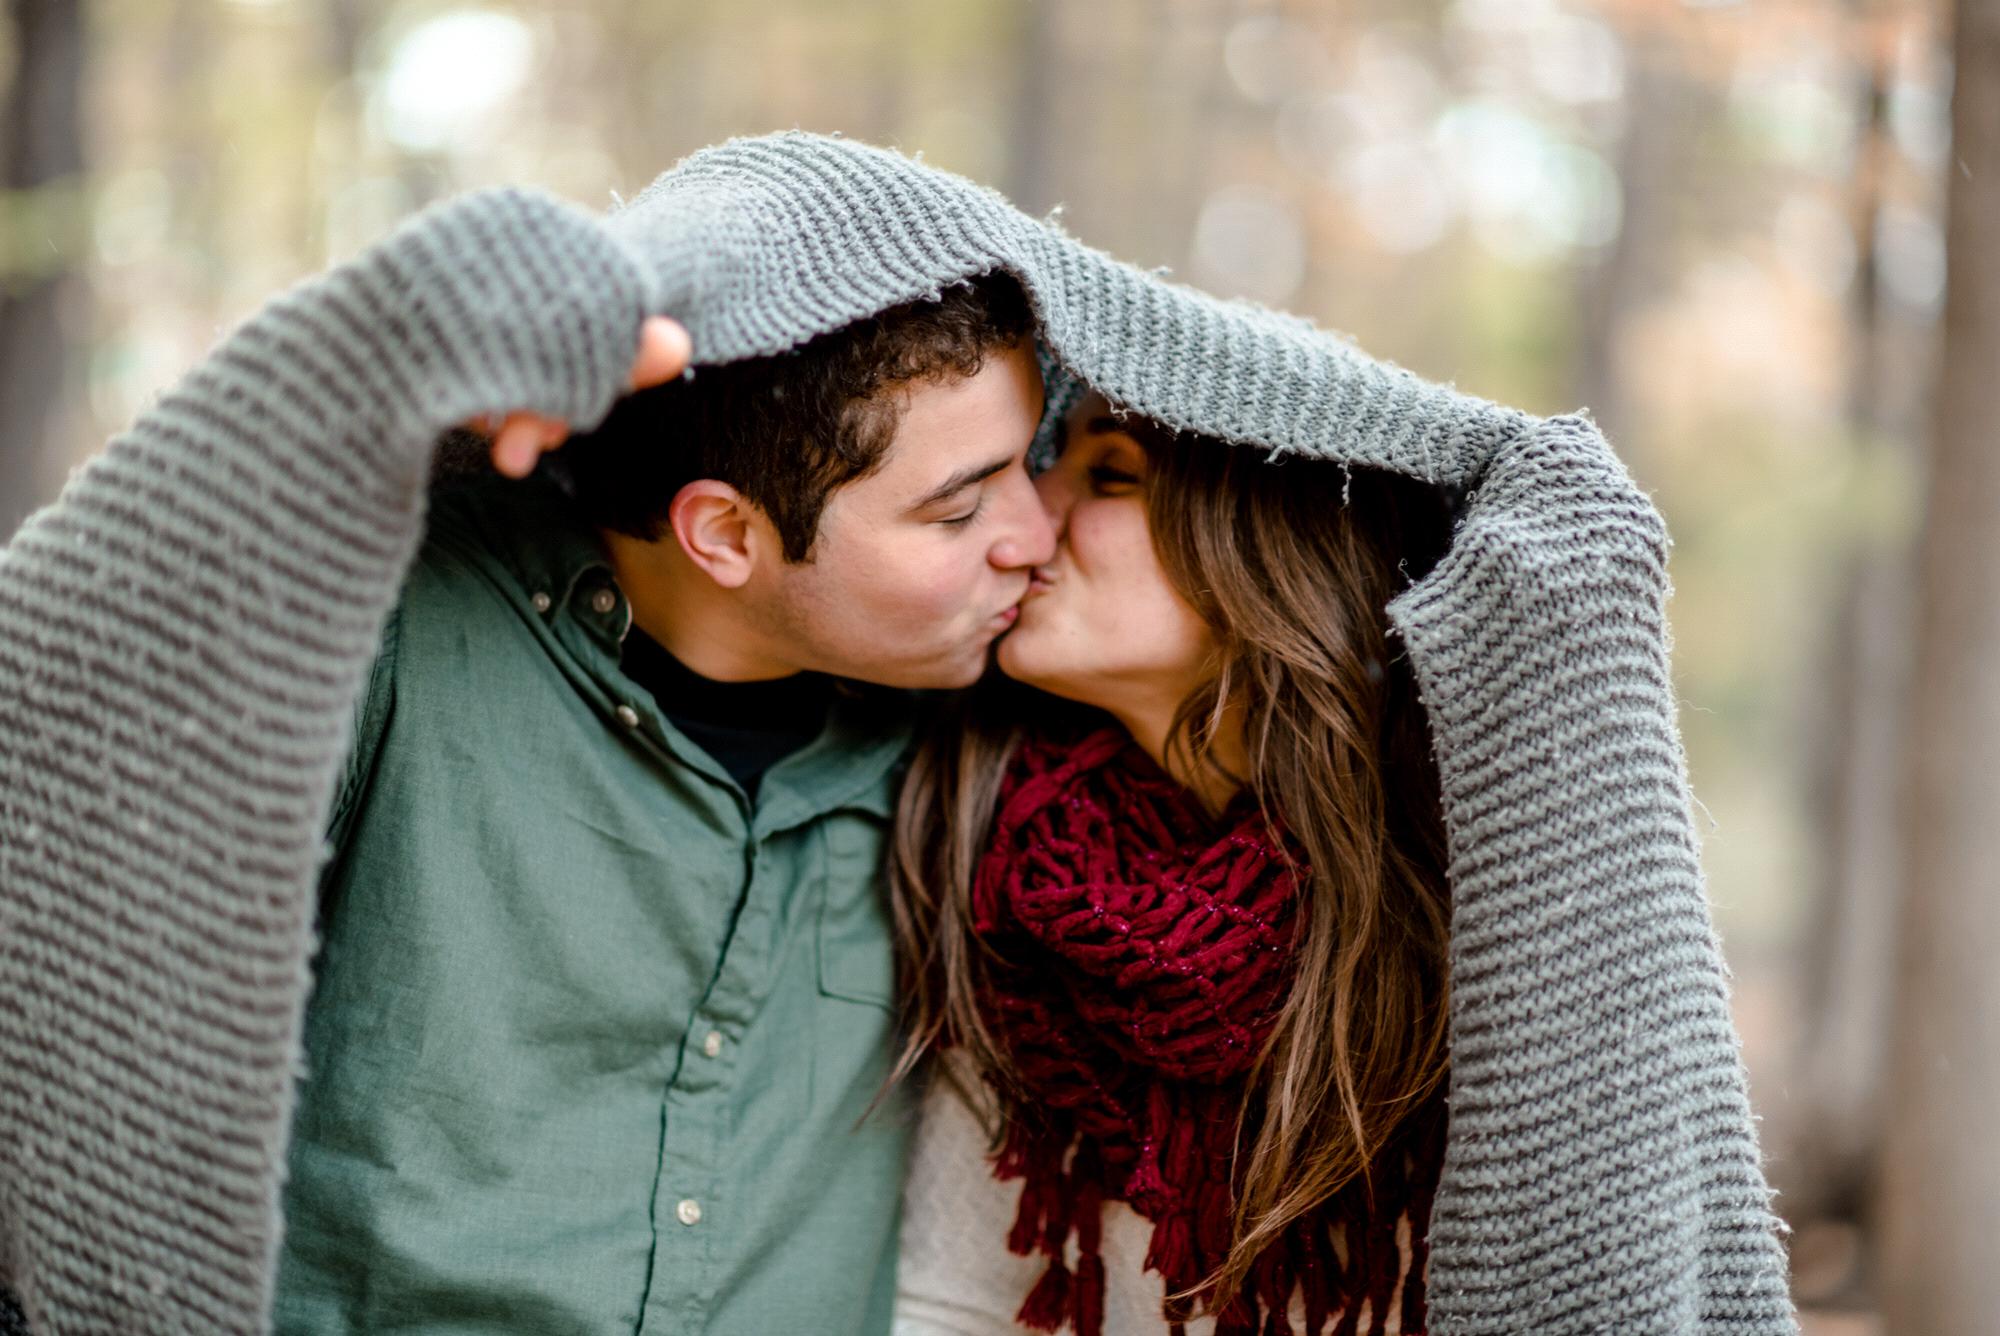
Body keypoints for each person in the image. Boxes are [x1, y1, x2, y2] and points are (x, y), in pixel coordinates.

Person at [0, 131, 1795, 1335]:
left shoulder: (1020, 767)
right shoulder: (426, 645)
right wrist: (381, 359)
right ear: (729, 533)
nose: (1022, 534)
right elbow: (73, 712)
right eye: (963, 511)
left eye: (1059, 464)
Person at [890, 392, 1454, 1336]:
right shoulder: (996, 850)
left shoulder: (1445, 925)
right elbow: (953, 1303)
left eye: (1109, 474)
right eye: (1046, 456)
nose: (1027, 508)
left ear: (1271, 553)